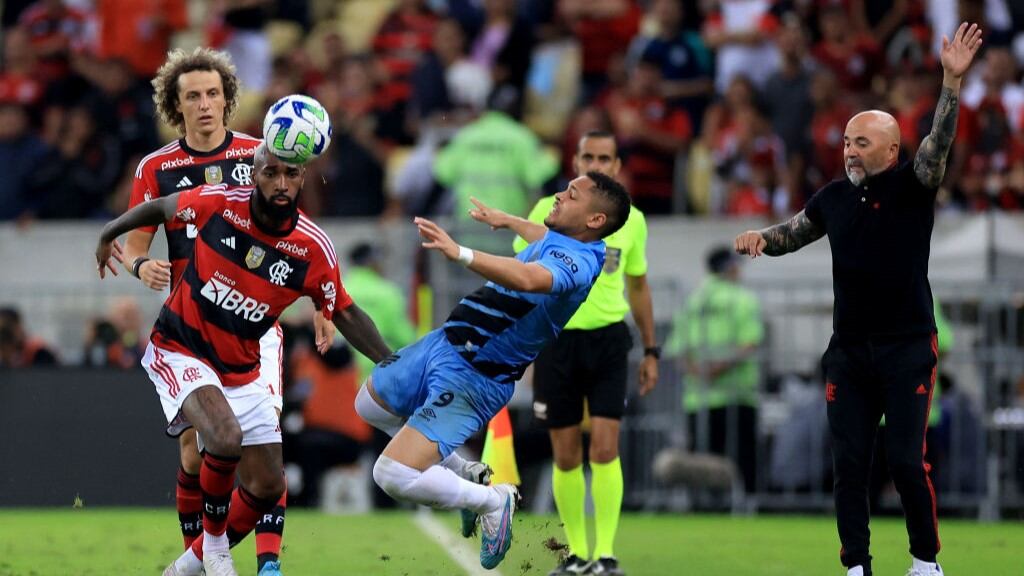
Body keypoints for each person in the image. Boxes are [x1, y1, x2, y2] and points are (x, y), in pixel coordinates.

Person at [733, 22, 983, 576]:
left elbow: (939, 144)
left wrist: (950, 83)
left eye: (861, 142)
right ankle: (856, 567)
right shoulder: (832, 198)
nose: (849, 149)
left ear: (892, 149)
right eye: (846, 141)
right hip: (848, 350)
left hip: (908, 345)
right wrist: (760, 240)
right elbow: (791, 233)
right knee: (848, 463)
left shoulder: (915, 184)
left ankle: (924, 563)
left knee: (905, 461)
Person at [95, 143, 392, 576]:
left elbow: (343, 308)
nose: (281, 184)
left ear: (303, 178)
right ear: (255, 174)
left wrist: (390, 361)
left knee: (268, 484)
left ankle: (183, 568)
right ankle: (215, 549)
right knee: (222, 436)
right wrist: (109, 232)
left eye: (291, 175)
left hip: (243, 364)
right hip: (181, 346)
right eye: (271, 173)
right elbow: (159, 206)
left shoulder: (313, 246)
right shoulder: (218, 202)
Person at [354, 171, 631, 570]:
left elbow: (529, 277)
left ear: (595, 221)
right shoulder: (573, 240)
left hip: (475, 375)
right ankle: (465, 469)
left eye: (571, 195)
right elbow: (546, 238)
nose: (558, 195)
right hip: (444, 342)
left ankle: (491, 500)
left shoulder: (580, 263)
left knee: (392, 474)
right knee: (369, 407)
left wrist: (461, 253)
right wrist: (510, 221)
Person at [115, 47, 293, 576]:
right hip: (192, 327)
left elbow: (294, 236)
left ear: (227, 98)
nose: (206, 104)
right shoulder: (157, 168)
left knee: (264, 446)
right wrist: (139, 265)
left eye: (213, 93)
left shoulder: (259, 156)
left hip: (256, 324)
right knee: (198, 456)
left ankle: (267, 564)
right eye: (192, 96)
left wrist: (324, 304)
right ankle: (196, 558)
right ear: (176, 105)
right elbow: (133, 242)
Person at [511, 131, 658, 576]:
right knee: (566, 451)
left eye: (604, 157)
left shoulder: (631, 220)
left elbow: (637, 284)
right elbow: (525, 274)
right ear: (574, 160)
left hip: (610, 338)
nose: (595, 162)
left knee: (606, 448)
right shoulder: (547, 210)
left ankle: (606, 555)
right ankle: (576, 555)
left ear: (617, 165)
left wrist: (651, 349)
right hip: (559, 340)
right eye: (587, 156)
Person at [664, 246, 763, 494]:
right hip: (738, 394)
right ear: (729, 268)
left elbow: (678, 350)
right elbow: (749, 343)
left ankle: (704, 507)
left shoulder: (692, 301)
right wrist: (718, 369)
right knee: (742, 459)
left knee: (703, 462)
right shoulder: (742, 299)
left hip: (698, 397)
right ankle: (745, 507)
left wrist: (699, 372)